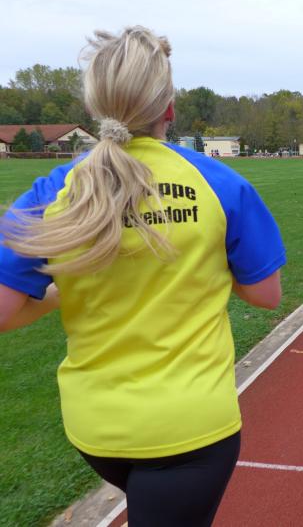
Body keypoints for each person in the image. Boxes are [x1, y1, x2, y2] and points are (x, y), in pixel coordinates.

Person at [0, 27, 285, 527]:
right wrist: (205, 265)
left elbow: (4, 312)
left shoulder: (55, 190)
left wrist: (62, 292)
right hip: (190, 429)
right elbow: (267, 295)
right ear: (168, 108)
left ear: (95, 108)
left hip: (95, 428)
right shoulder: (220, 184)